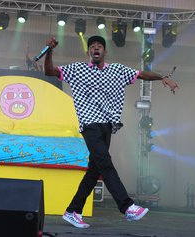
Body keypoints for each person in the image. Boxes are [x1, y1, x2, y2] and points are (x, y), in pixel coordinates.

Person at [44, 35, 179, 228]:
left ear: (104, 51)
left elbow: (142, 74)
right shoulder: (77, 69)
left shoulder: (117, 70)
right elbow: (49, 71)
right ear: (89, 52)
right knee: (105, 163)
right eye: (92, 46)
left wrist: (162, 77)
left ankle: (73, 211)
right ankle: (127, 206)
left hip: (107, 125)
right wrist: (50, 50)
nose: (95, 48)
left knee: (94, 171)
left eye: (99, 46)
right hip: (89, 124)